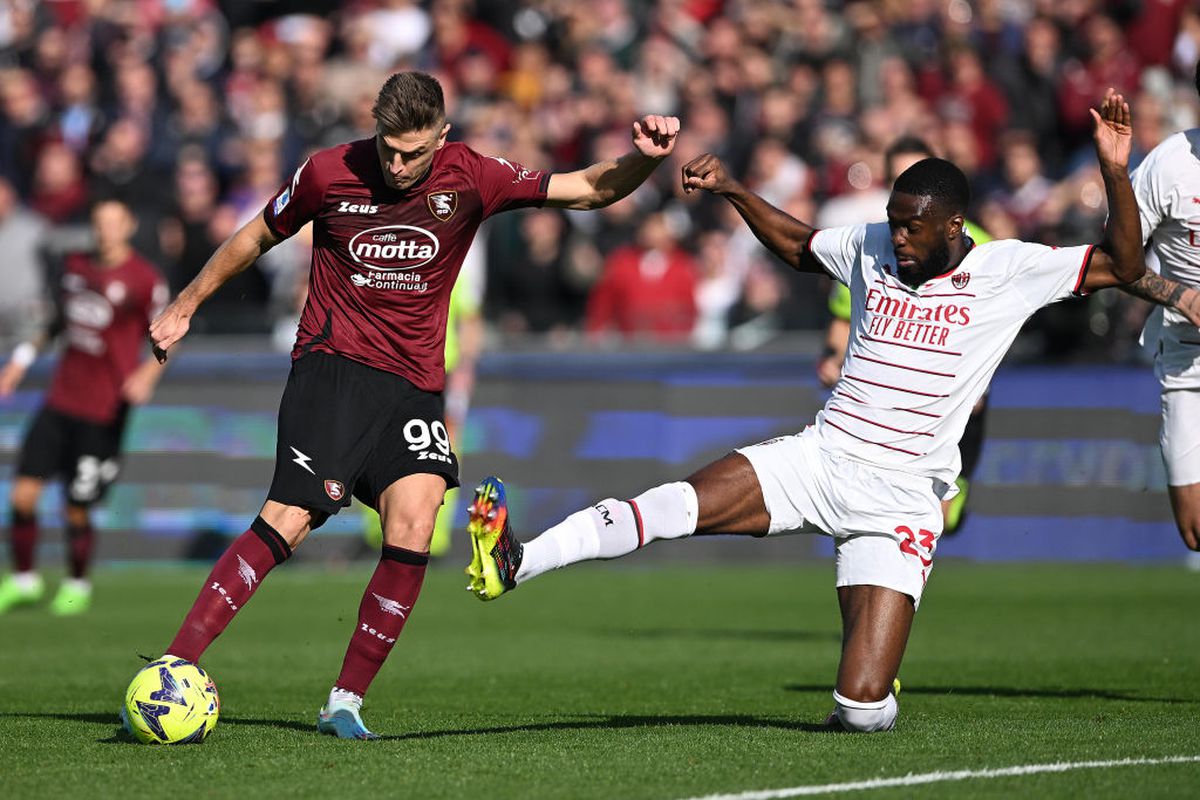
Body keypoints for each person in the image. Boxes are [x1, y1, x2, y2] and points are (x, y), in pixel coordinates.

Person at [466, 90, 1143, 732]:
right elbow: (798, 245)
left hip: (903, 499)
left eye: (913, 227)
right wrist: (733, 190)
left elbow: (1124, 262)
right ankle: (517, 560)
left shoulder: (1008, 270)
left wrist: (1113, 171)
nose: (898, 238)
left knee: (859, 707)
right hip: (820, 458)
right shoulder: (873, 244)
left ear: (954, 226)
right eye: (893, 222)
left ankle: (871, 694)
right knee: (673, 505)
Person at [146, 71, 679, 740]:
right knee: (291, 518)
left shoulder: (475, 176)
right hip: (332, 369)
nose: (398, 165)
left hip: (414, 386)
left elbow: (588, 188)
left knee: (417, 520)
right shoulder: (328, 173)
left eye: (414, 152)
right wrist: (184, 305)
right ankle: (174, 667)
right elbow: (254, 236)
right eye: (389, 149)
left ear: (443, 138)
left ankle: (345, 701)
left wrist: (643, 161)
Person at [817, 136, 993, 534]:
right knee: (897, 519)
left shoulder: (981, 246)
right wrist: (831, 358)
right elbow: (844, 315)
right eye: (898, 177)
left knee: (942, 520)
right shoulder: (872, 244)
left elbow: (999, 324)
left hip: (953, 404)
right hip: (887, 403)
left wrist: (978, 382)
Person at [0, 197, 167, 615]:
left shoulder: (144, 279)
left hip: (104, 409)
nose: (105, 230)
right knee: (22, 495)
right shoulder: (75, 266)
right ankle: (24, 579)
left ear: (128, 226)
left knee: (76, 506)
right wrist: (19, 364)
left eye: (113, 222)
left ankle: (77, 583)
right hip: (60, 399)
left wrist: (147, 374)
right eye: (98, 222)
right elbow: (53, 322)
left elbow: (168, 333)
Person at [1119, 61, 1200, 563]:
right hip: (1188, 359)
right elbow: (1117, 263)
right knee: (1194, 526)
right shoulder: (1168, 164)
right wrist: (1178, 295)